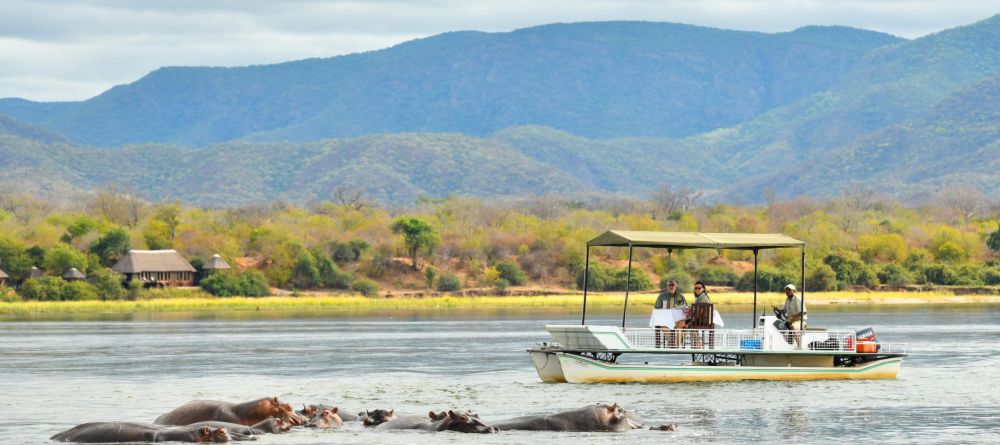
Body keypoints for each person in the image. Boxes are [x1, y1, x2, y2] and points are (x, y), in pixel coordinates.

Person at [653, 280, 687, 347]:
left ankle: (676, 344)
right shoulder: (661, 296)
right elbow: (657, 308)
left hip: (678, 320)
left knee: (681, 326)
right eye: (669, 285)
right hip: (665, 319)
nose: (671, 287)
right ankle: (671, 341)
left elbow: (685, 308)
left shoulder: (681, 296)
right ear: (667, 287)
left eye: (672, 285)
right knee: (661, 324)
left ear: (676, 286)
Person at [774, 284, 807, 348]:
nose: (787, 292)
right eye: (786, 290)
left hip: (800, 321)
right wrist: (778, 310)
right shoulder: (787, 299)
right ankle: (784, 345)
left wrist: (793, 317)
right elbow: (785, 310)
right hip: (790, 320)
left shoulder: (797, 298)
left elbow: (804, 312)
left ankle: (800, 346)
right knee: (778, 325)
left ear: (793, 291)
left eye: (789, 290)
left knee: (792, 327)